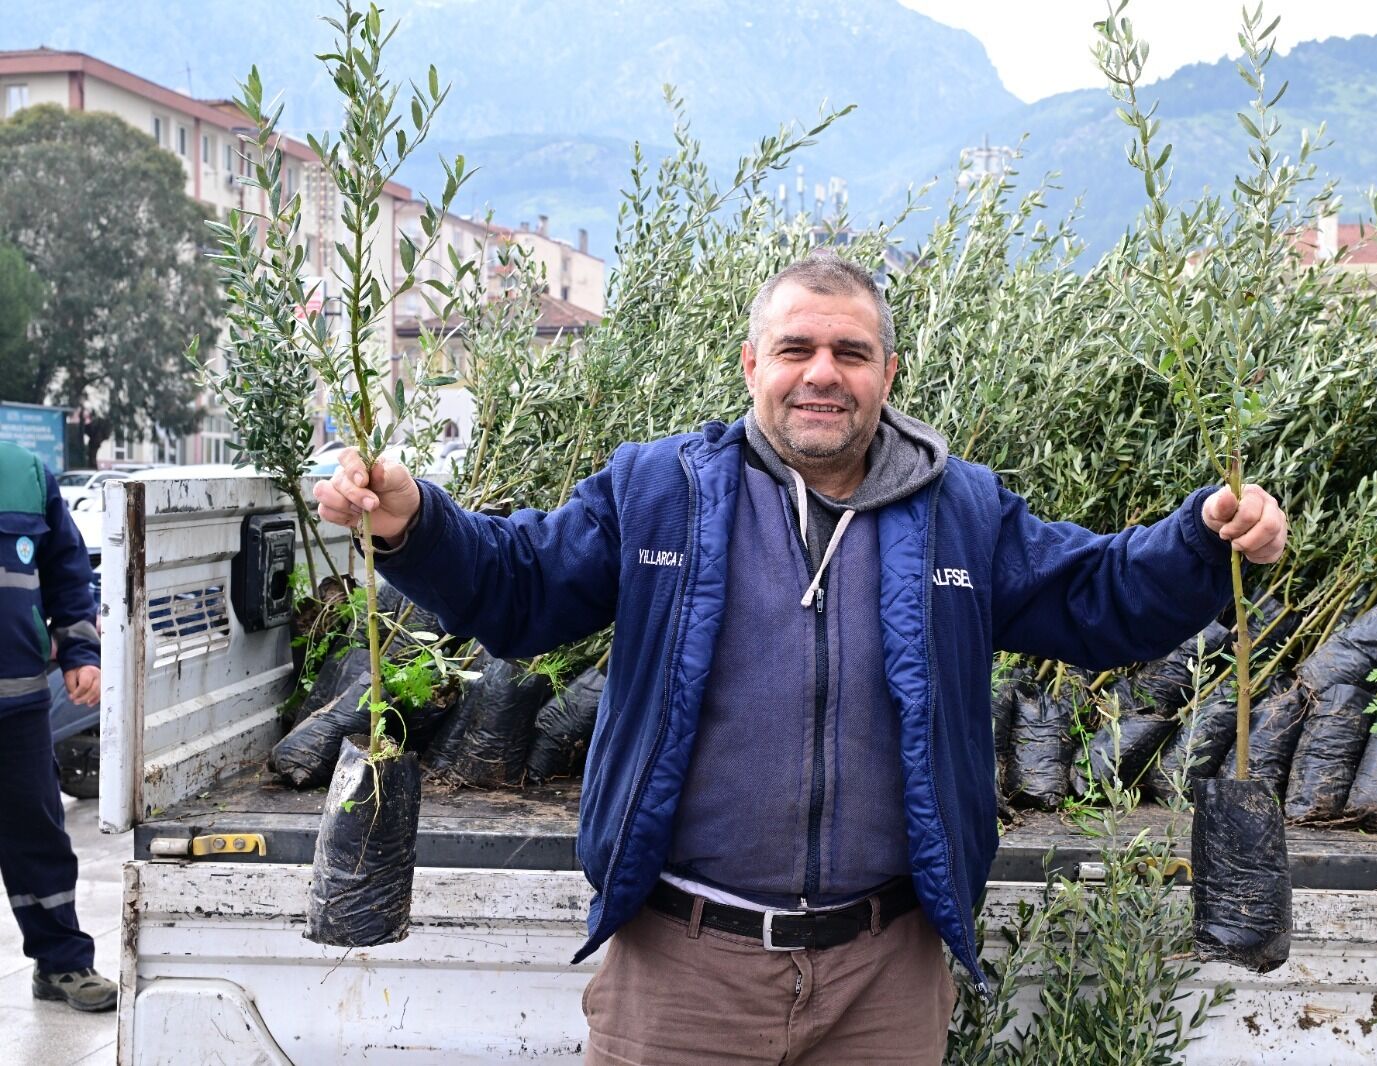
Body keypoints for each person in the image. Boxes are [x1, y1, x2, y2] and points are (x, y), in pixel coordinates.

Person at [314, 250, 1287, 1064]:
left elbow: (1097, 599)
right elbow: (519, 587)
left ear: (887, 374)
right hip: (681, 971)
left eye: (850, 353)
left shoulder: (961, 510)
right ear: (752, 364)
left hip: (882, 981)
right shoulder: (659, 492)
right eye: (796, 349)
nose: (823, 372)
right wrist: (415, 521)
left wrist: (1204, 541)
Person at [0, 441, 116, 1012]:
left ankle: (62, 963)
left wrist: (81, 653)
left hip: (17, 702)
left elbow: (68, 574)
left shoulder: (24, 474)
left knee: (38, 834)